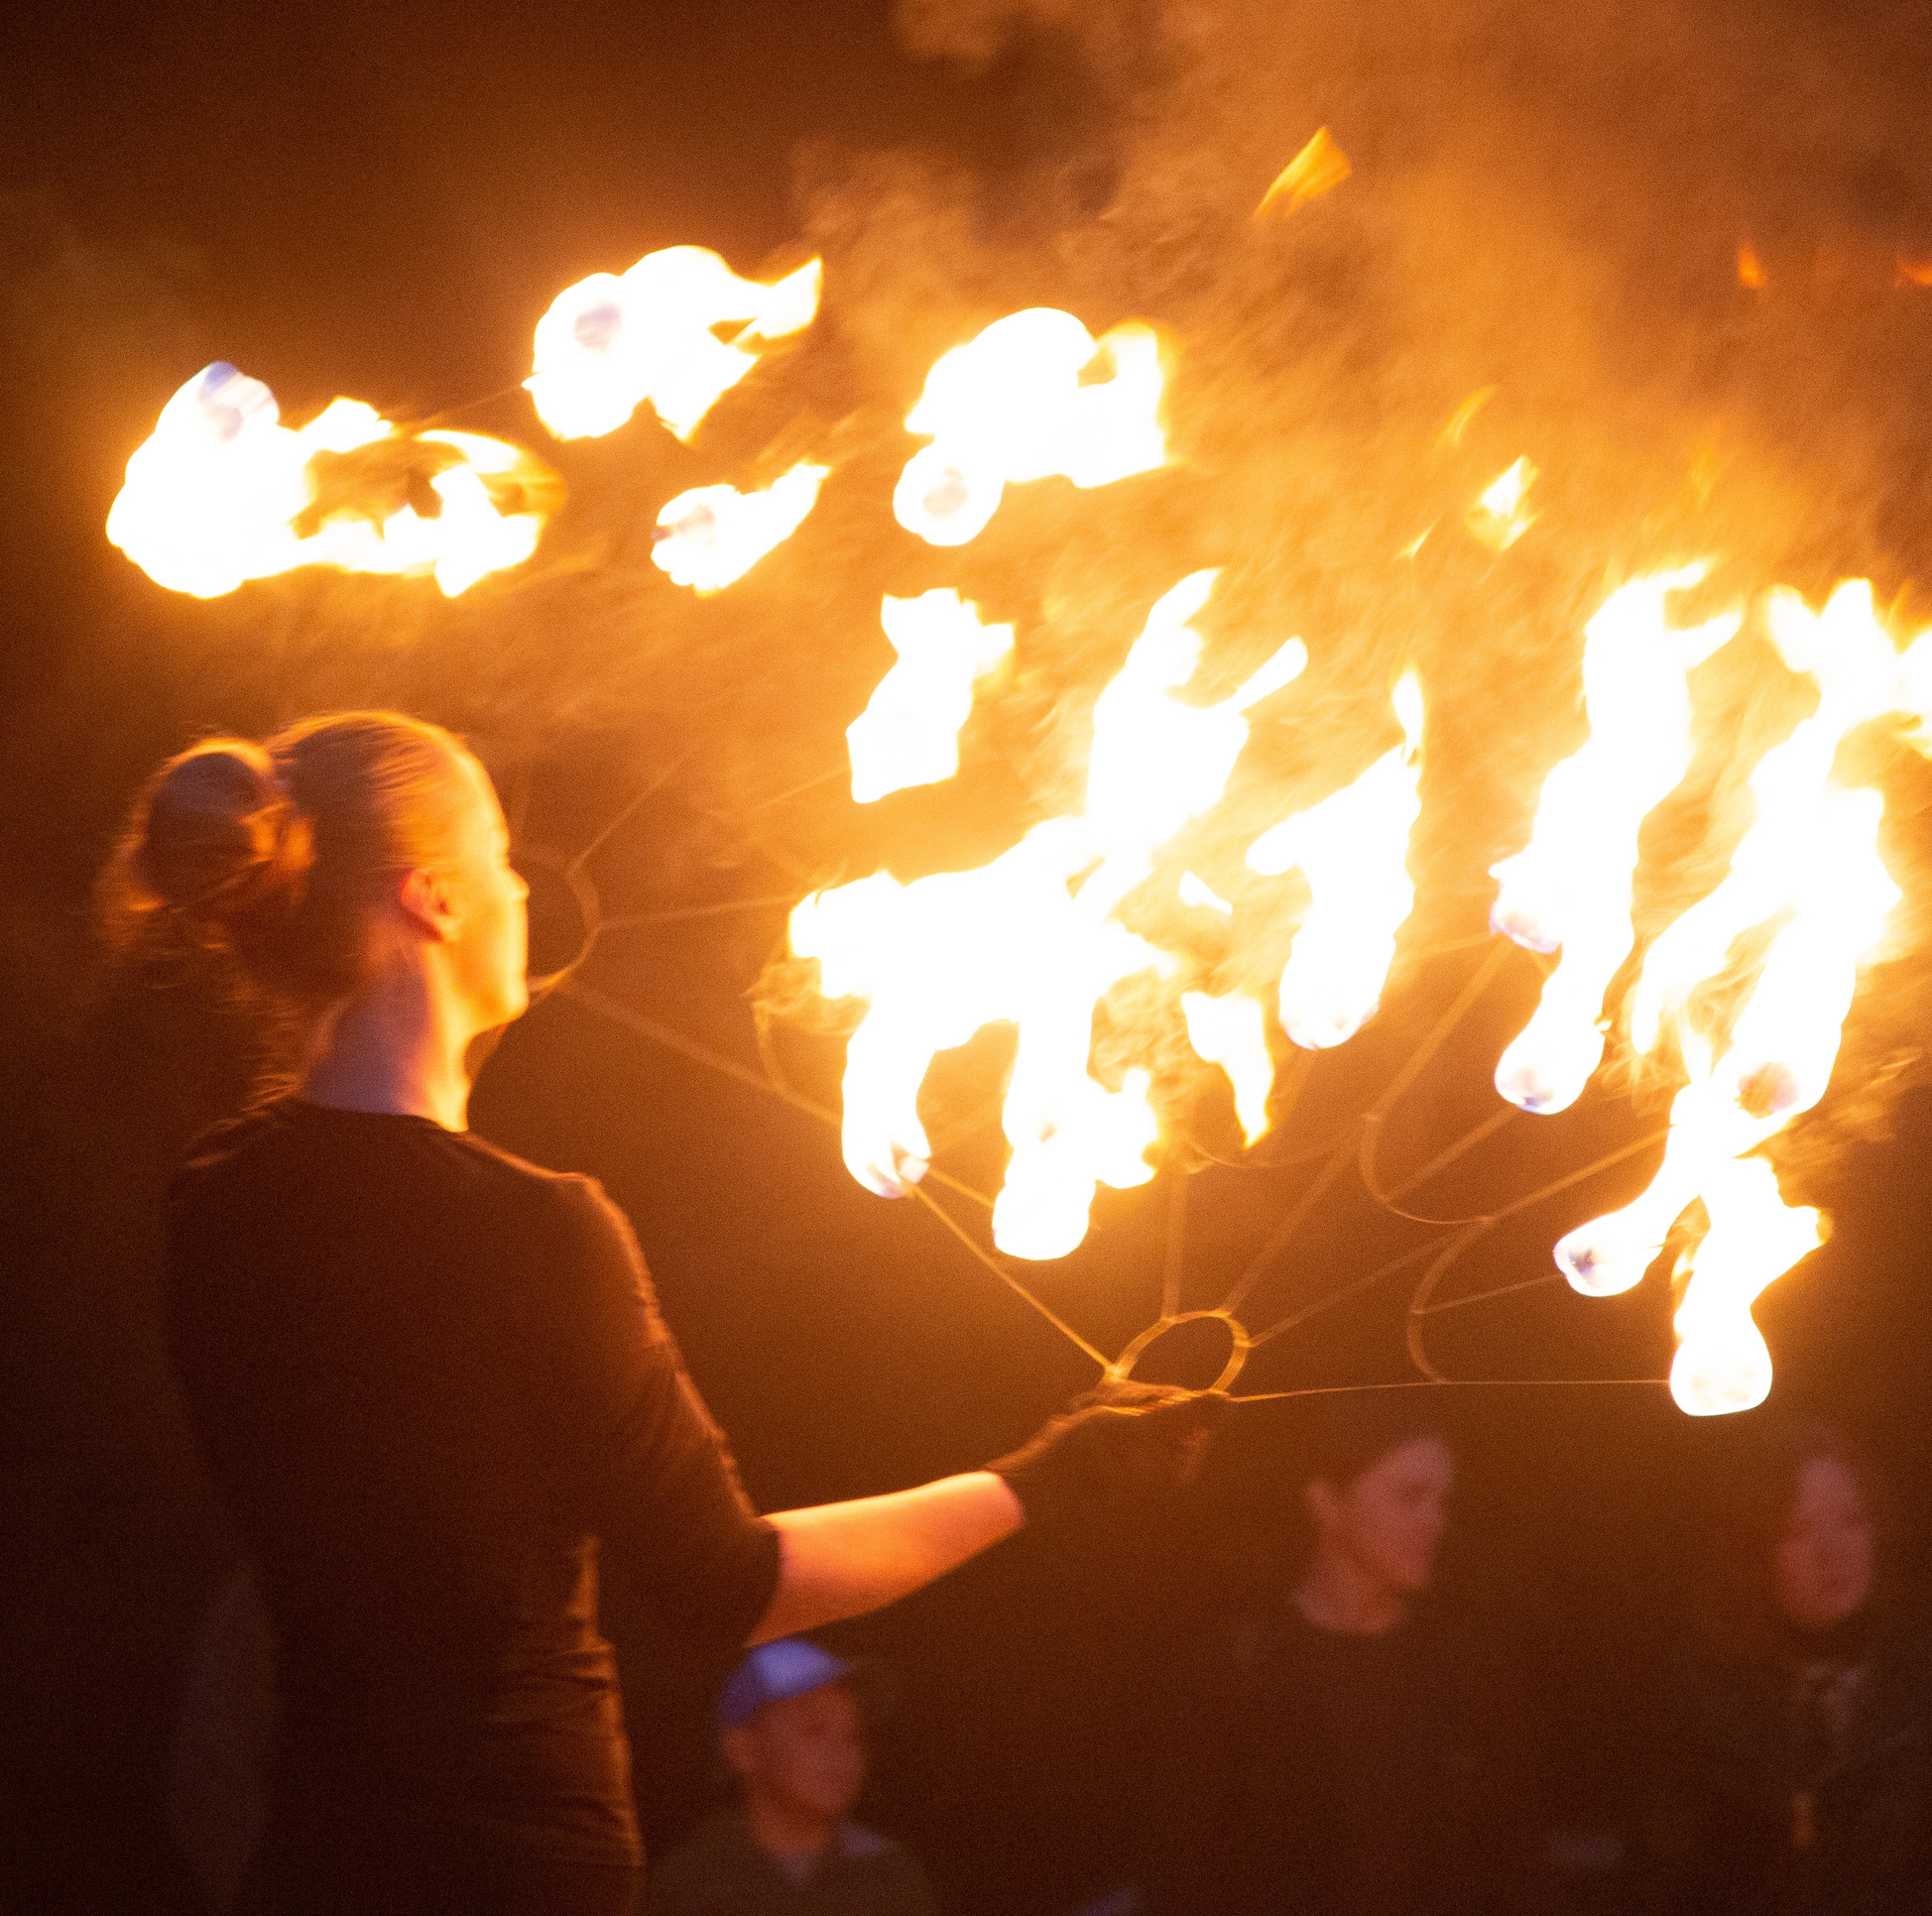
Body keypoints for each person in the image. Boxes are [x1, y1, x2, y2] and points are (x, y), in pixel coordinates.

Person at [109, 713, 1214, 1916]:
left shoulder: (214, 1201)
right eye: (495, 855)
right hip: (511, 1866)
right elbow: (732, 1582)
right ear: (432, 898)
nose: (520, 888)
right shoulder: (534, 1230)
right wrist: (1050, 1472)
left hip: (316, 1858)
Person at [1141, 1389, 1549, 1916]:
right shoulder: (1233, 1672)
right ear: (1328, 1502)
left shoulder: (1465, 1674)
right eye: (1409, 1497)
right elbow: (1181, 1870)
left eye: (1441, 1501)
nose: (1434, 1521)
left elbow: (1516, 1860)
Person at [1648, 1419, 1932, 1916]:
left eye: (1851, 1521)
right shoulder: (1709, 1700)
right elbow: (1676, 1876)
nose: (1831, 1552)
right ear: (1755, 1551)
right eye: (1798, 1530)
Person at [647, 1639, 932, 1916]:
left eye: (851, 1735)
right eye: (814, 1728)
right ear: (742, 1749)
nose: (841, 1751)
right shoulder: (690, 1884)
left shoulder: (885, 1875)